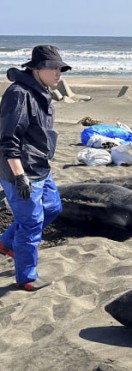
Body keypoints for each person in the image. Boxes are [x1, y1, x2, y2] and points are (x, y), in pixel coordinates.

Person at [0, 45, 71, 291]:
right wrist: (19, 176)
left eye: (60, 68)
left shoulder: (42, 91)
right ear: (35, 69)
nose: (58, 72)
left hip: (40, 165)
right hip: (21, 170)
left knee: (52, 207)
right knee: (31, 223)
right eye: (52, 67)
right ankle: (27, 278)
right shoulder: (19, 94)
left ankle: (7, 242)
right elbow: (9, 139)